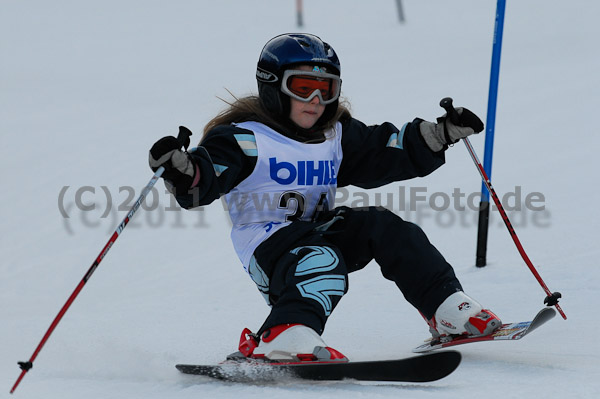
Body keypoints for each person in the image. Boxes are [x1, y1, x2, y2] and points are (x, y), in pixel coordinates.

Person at [149, 33, 502, 362]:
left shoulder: (333, 136)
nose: (316, 101)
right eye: (303, 87)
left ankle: (447, 310)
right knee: (322, 260)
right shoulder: (244, 139)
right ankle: (283, 335)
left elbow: (383, 151)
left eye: (326, 89)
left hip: (317, 228)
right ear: (273, 87)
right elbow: (207, 176)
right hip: (269, 247)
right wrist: (184, 171)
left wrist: (439, 135)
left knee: (389, 229)